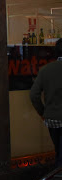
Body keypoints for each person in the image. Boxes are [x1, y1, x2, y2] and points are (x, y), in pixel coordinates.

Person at [30, 38, 62, 167]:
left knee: (58, 149)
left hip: (52, 119)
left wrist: (43, 112)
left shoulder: (45, 70)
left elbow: (33, 95)